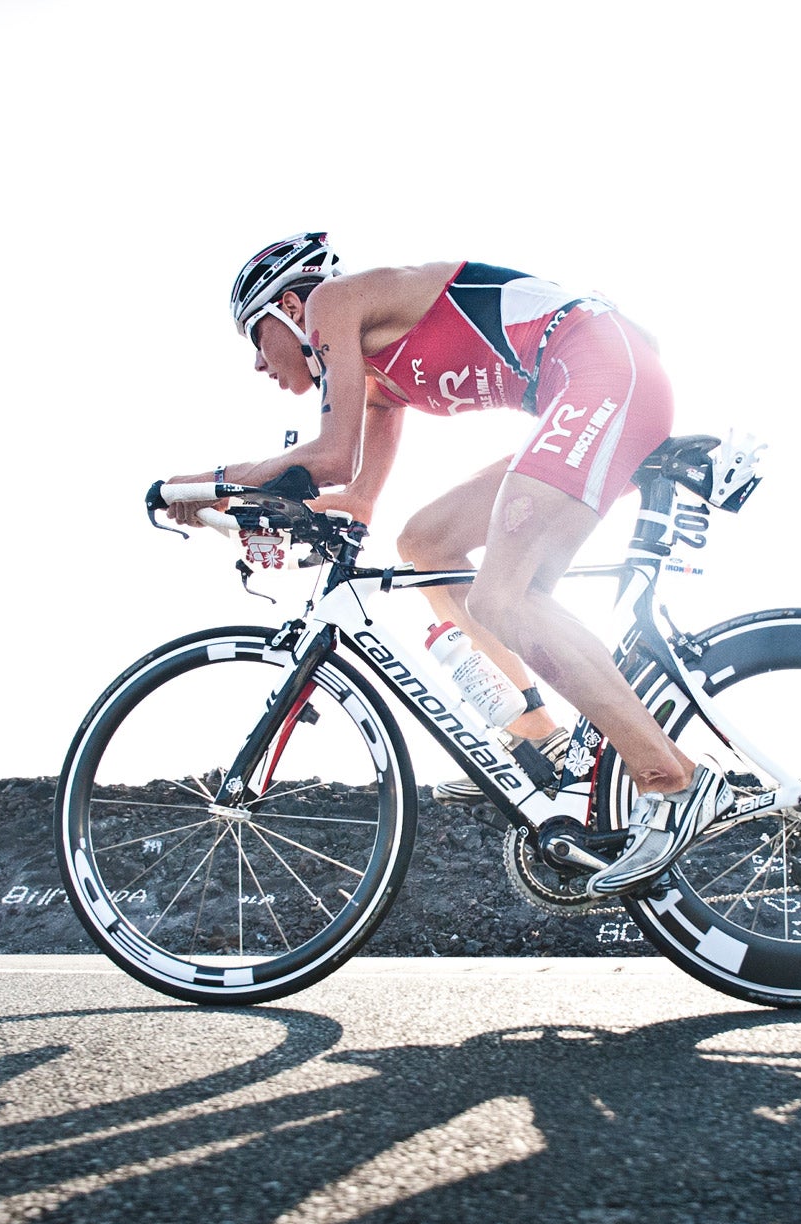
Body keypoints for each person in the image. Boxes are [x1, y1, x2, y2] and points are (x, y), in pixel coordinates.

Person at [164, 232, 724, 896]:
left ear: (289, 304)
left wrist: (204, 482)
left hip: (605, 374)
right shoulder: (376, 381)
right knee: (425, 542)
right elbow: (356, 499)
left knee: (503, 599)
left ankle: (674, 778)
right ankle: (536, 734)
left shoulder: (334, 303)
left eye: (255, 337)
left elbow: (330, 455)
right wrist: (244, 510)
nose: (259, 364)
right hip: (593, 387)